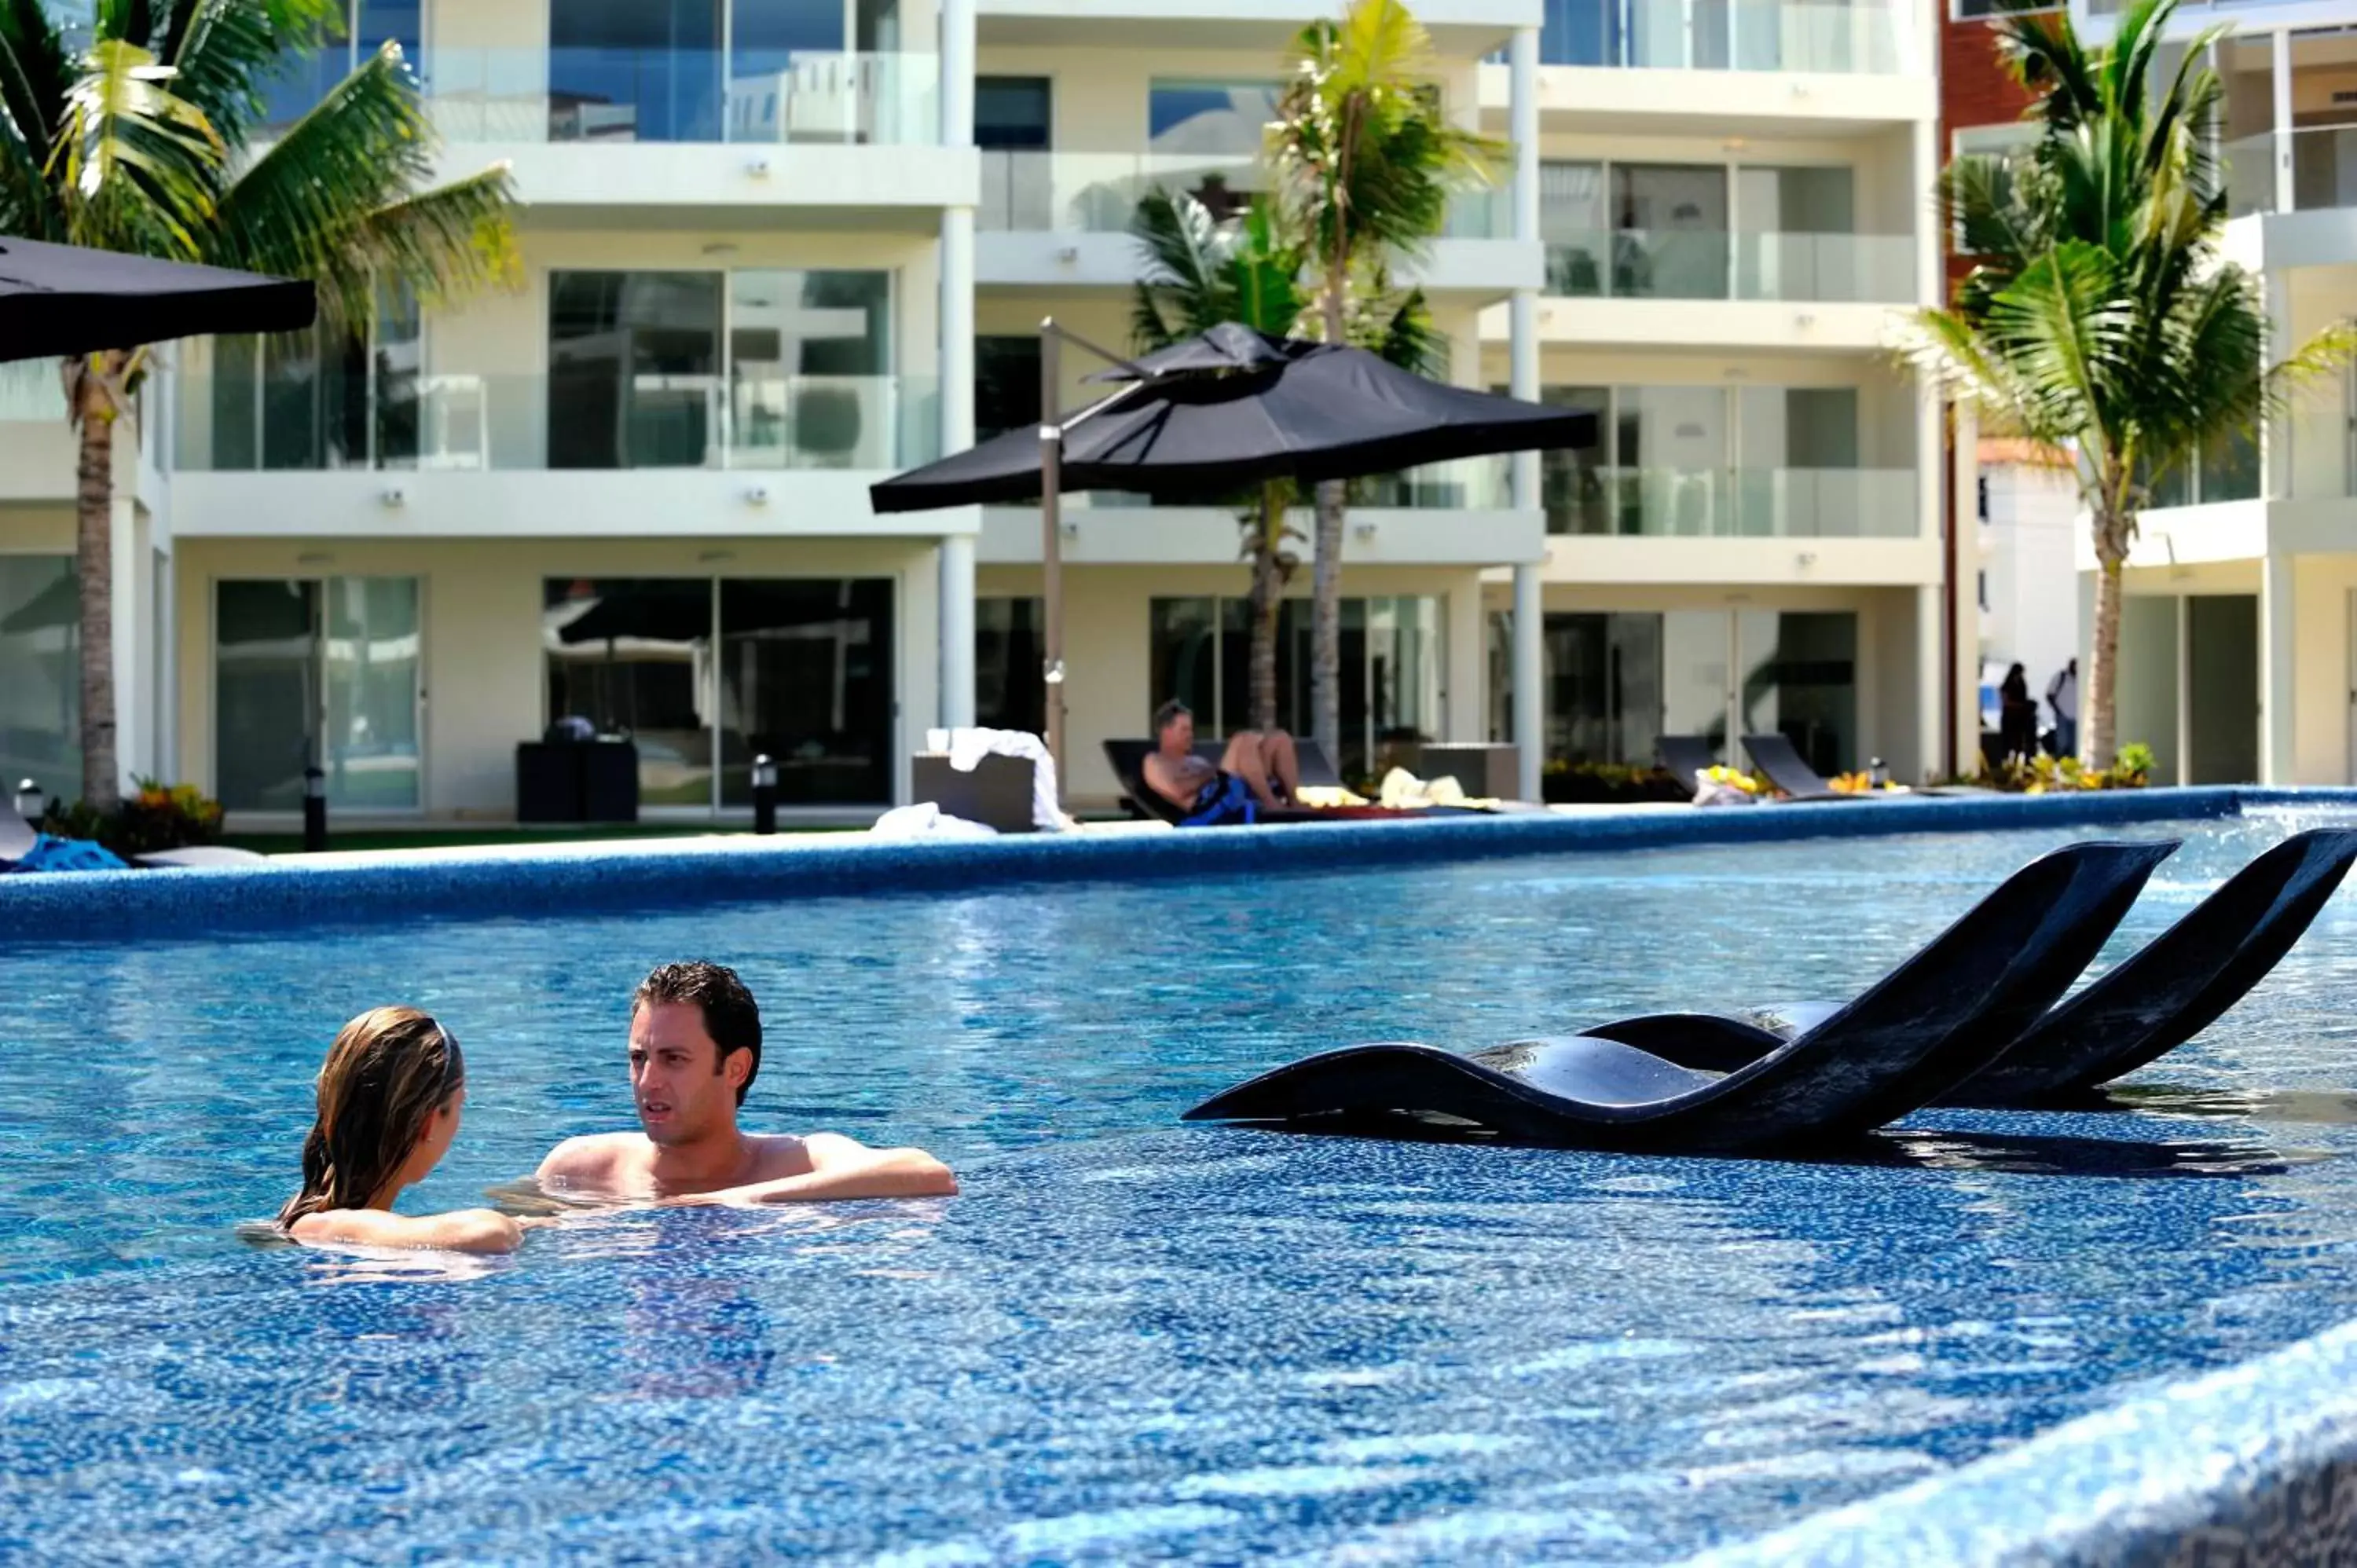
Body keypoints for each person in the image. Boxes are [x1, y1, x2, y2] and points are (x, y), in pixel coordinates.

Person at [536, 961, 957, 1206]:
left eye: (674, 1059)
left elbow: (928, 1175)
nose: (648, 1081)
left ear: (736, 1068)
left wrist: (733, 1200)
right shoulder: (581, 1168)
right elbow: (508, 1233)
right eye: (638, 1058)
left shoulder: (793, 1161)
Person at [277, 1006, 527, 1255]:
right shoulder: (322, 1226)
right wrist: (510, 1225)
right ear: (427, 1123)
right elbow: (491, 1233)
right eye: (460, 1103)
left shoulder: (305, 1214)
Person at [1141, 698, 1303, 827]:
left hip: (1232, 794)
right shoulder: (1155, 762)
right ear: (1166, 731)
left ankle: (1293, 801)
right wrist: (1213, 772)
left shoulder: (1196, 760)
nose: (1190, 735)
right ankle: (1271, 804)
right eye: (1184, 730)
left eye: (1191, 729)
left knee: (1279, 739)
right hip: (1207, 810)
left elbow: (1221, 777)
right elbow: (1179, 790)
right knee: (1242, 740)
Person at [1999, 662, 2037, 761]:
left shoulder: (2022, 684)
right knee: (2007, 742)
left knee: (2019, 742)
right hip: (2009, 717)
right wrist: (2020, 705)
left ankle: (2016, 760)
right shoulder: (2007, 685)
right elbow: (2006, 702)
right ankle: (2007, 761)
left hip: (2020, 718)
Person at [2047, 658, 2080, 758]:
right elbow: (2050, 695)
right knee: (2062, 743)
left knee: (2075, 746)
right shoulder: (2061, 677)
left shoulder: (2081, 678)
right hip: (2063, 716)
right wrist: (2058, 711)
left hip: (2077, 717)